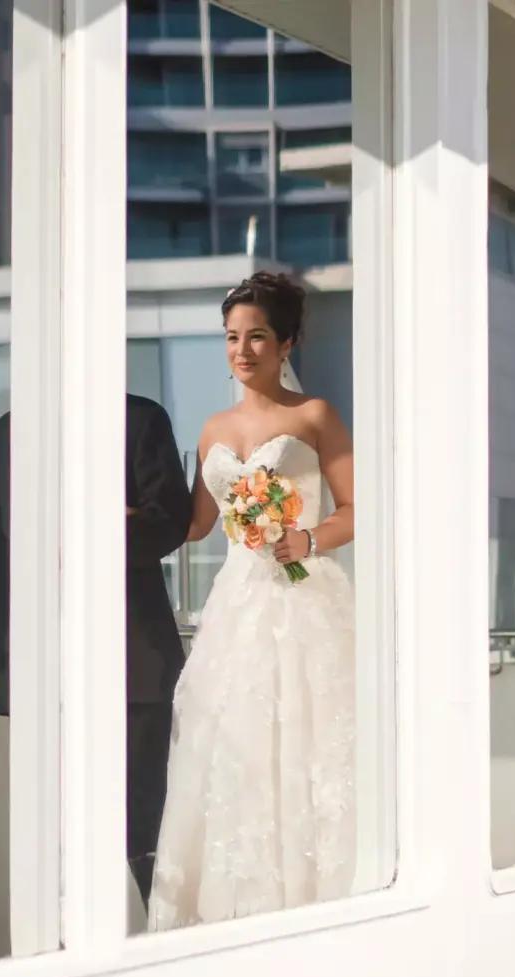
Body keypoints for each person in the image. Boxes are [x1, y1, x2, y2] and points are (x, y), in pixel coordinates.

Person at [147, 271, 360, 930]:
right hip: (235, 606)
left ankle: (316, 909)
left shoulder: (314, 415)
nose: (242, 351)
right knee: (230, 750)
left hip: (301, 602)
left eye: (257, 337)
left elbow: (359, 509)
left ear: (287, 340)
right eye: (232, 338)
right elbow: (194, 524)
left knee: (304, 744)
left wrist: (309, 539)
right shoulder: (212, 427)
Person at [0, 395, 192, 902]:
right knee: (54, 832)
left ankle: (159, 945)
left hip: (135, 662)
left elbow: (171, 521)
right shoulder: (1, 435)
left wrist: (96, 527)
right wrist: (1, 660)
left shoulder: (140, 419)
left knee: (143, 829)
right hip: (43, 670)